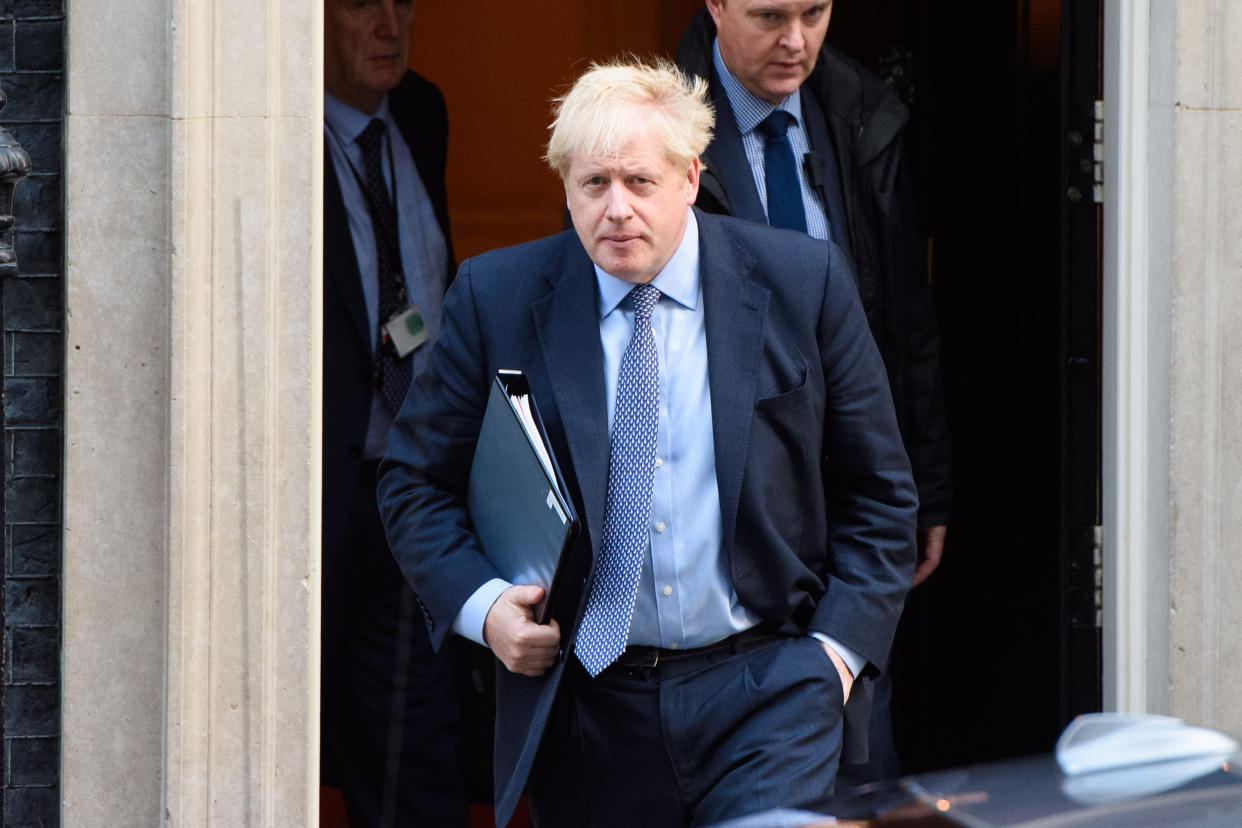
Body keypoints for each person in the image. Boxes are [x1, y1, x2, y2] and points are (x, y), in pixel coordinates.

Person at [378, 57, 917, 827]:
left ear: (691, 179)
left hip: (768, 688)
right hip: (588, 702)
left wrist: (832, 657)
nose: (617, 210)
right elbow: (413, 482)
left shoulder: (803, 284)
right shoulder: (495, 296)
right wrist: (487, 609)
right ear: (565, 187)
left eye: (640, 182)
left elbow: (881, 493)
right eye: (593, 185)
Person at [676, 0, 953, 784]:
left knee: (861, 739)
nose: (795, 40)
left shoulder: (862, 109)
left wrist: (925, 483)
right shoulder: (660, 123)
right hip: (732, 484)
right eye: (768, 15)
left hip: (851, 474)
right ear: (717, 5)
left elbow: (906, 314)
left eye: (815, 11)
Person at [321, 0, 468, 824]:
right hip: (314, 493)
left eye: (401, 4)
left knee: (411, 733)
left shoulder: (421, 111)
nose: (389, 25)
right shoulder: (271, 129)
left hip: (409, 480)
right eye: (360, 6)